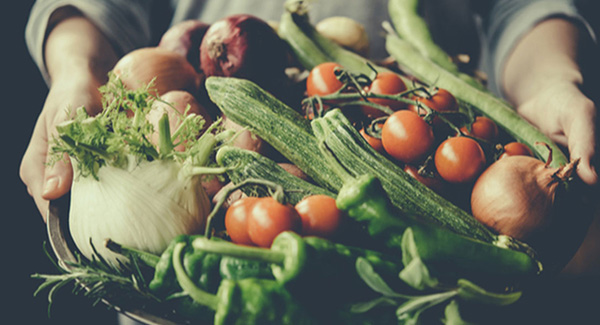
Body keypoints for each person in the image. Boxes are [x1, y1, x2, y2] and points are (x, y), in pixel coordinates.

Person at [21, 0, 598, 267]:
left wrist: (549, 81)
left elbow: (520, 7)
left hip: (406, 127)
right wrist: (76, 72)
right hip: (211, 141)